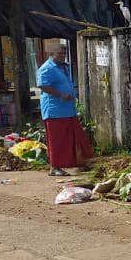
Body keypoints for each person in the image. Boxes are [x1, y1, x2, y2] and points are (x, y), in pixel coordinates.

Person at [36, 44, 94, 178]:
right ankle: (54, 167)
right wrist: (60, 95)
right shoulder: (47, 68)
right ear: (52, 54)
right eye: (60, 53)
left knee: (73, 137)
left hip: (68, 110)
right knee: (57, 140)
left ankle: (77, 162)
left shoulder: (65, 66)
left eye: (64, 53)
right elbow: (43, 85)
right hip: (54, 111)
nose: (63, 56)